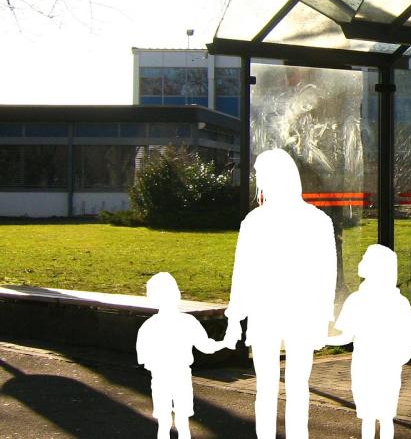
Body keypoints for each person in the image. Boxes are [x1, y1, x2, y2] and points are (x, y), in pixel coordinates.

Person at [222, 148, 337, 439]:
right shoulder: (316, 220)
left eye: (260, 176)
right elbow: (326, 275)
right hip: (294, 313)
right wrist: (323, 317)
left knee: (269, 386)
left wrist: (236, 317)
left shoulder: (257, 222)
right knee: (295, 385)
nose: (258, 182)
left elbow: (243, 273)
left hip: (272, 312)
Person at [328, 244, 411, 439]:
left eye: (365, 258)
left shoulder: (358, 300)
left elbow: (346, 337)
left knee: (371, 416)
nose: (361, 262)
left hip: (368, 363)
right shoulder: (396, 301)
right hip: (381, 364)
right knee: (383, 416)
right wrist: (400, 356)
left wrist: (320, 340)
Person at [136, 272, 224, 439]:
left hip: (160, 376)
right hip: (181, 374)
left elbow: (144, 358)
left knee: (164, 422)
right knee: (182, 422)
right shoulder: (188, 321)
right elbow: (206, 347)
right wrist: (224, 343)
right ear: (176, 294)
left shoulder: (149, 326)